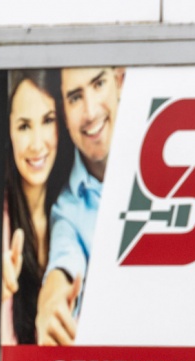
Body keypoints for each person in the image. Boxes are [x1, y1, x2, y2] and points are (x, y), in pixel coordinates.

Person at [36, 66, 126, 346]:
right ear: (63, 113)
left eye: (98, 84)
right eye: (75, 98)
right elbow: (63, 265)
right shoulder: (67, 210)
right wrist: (51, 304)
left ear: (120, 80)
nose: (90, 112)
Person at [2, 69, 69, 345]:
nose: (37, 144)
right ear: (9, 131)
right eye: (24, 126)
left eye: (47, 121)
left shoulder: (70, 208)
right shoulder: (1, 223)